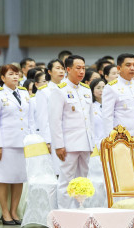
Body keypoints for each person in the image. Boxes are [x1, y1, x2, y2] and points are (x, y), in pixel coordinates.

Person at [0, 64, 34, 225]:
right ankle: (5, 212)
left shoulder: (23, 93)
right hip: (6, 143)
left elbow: (30, 119)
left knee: (19, 178)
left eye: (17, 74)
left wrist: (31, 140)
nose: (15, 77)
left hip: (22, 142)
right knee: (3, 178)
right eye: (11, 74)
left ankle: (14, 211)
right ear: (2, 78)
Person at [49, 55, 94, 209]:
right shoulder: (59, 90)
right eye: (78, 68)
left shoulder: (86, 90)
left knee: (83, 180)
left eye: (83, 68)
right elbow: (55, 121)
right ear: (68, 69)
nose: (82, 71)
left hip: (85, 143)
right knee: (66, 181)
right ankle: (65, 215)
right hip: (69, 144)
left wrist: (92, 141)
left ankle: (80, 210)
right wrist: (59, 145)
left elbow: (90, 119)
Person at [102, 53, 134, 139]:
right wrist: (110, 139)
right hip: (121, 139)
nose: (132, 68)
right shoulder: (111, 87)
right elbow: (107, 116)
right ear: (119, 68)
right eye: (128, 65)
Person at [36, 59, 65, 175]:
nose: (61, 71)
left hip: (69, 136)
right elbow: (43, 119)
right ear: (49, 72)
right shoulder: (44, 91)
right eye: (57, 68)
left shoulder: (68, 89)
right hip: (54, 138)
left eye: (63, 68)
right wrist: (47, 140)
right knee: (57, 171)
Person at [90, 78, 105, 148]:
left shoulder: (110, 106)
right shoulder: (90, 107)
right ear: (92, 91)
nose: (101, 90)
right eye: (98, 88)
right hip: (95, 144)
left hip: (110, 144)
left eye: (103, 87)